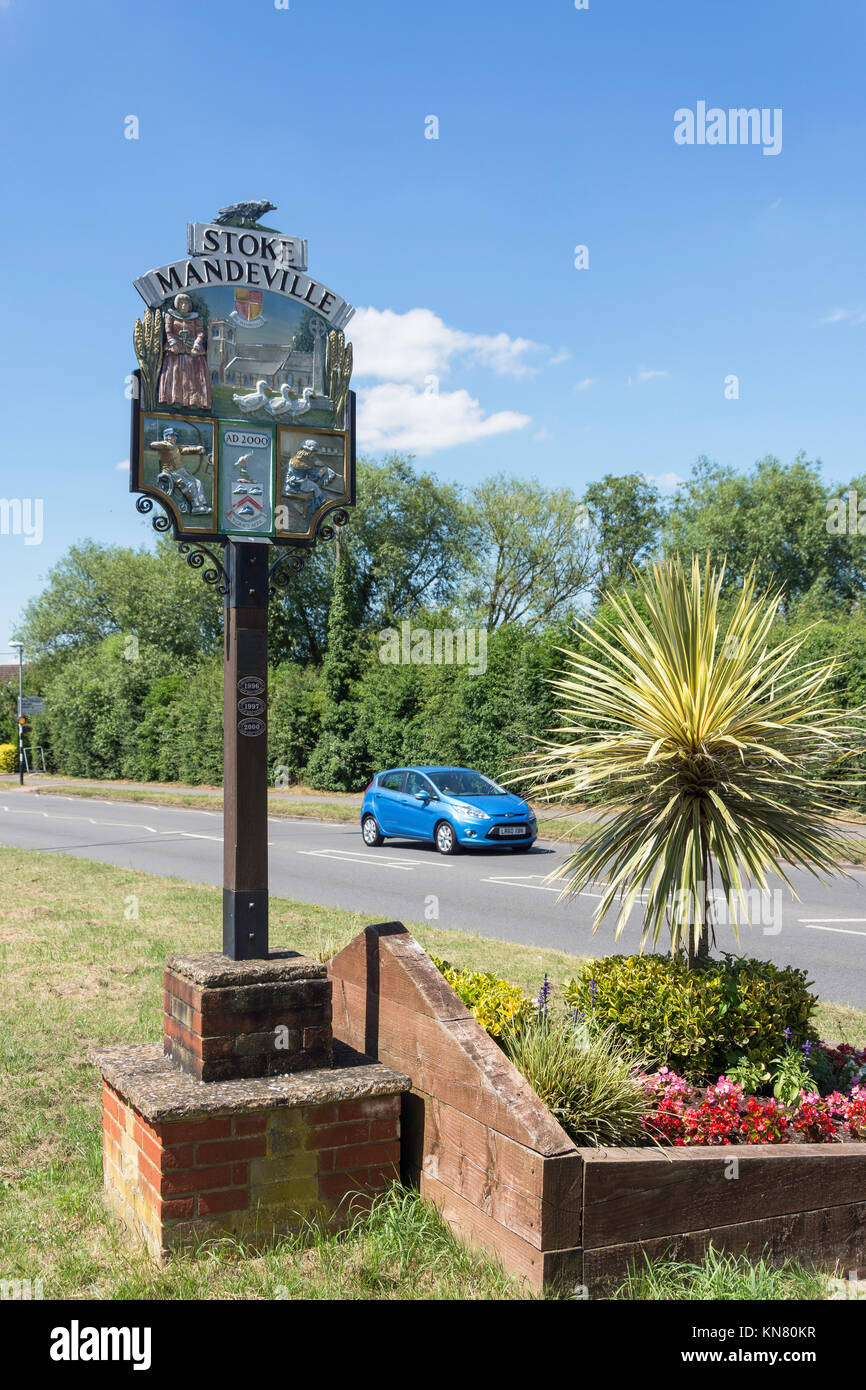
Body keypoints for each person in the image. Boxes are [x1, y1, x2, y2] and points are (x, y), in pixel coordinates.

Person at [157, 293, 212, 410]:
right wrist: (173, 343)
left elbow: (200, 333)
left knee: (193, 377)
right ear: (177, 304)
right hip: (176, 351)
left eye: (186, 303)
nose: (183, 305)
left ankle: (194, 401)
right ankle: (175, 400)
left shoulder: (195, 318)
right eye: (181, 303)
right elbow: (168, 331)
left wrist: (196, 345)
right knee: (176, 376)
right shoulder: (171, 317)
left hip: (192, 351)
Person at [149, 428, 211, 514]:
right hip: (171, 471)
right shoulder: (164, 445)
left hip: (180, 470)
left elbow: (187, 450)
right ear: (167, 437)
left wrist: (198, 449)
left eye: (175, 436)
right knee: (191, 485)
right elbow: (152, 444)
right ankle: (196, 507)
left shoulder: (177, 448)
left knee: (198, 482)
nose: (175, 438)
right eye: (172, 436)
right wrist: (166, 445)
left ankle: (202, 505)